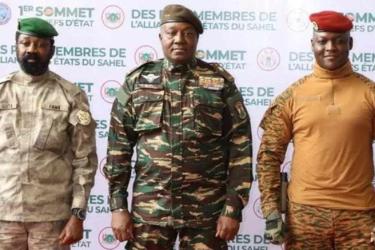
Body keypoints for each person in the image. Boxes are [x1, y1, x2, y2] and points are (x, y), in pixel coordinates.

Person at [104, 4, 252, 250]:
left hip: (206, 214)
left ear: (196, 38)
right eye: (172, 32)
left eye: (188, 33)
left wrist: (233, 208)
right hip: (151, 211)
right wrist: (118, 206)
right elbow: (118, 149)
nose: (179, 40)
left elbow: (240, 148)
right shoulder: (136, 83)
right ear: (160, 36)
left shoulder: (219, 83)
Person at [257, 10, 375, 249]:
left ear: (350, 43)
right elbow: (269, 156)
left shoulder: (370, 93)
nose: (330, 47)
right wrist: (270, 210)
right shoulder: (292, 96)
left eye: (339, 40)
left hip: (360, 216)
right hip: (304, 216)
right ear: (313, 44)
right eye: (323, 41)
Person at [0, 17, 97, 249]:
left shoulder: (70, 96)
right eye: (26, 43)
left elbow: (85, 160)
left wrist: (78, 214)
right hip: (4, 215)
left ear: (51, 50)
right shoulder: (2, 92)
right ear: (16, 46)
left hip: (51, 218)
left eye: (41, 45)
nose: (32, 50)